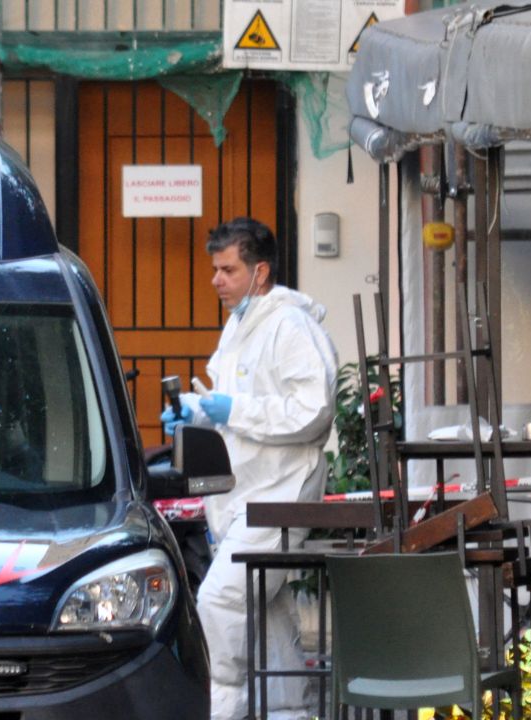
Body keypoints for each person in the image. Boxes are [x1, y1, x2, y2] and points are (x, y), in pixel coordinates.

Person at [161, 217, 337, 720]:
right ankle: (289, 713)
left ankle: (223, 712)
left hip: (280, 493)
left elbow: (313, 411)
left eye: (227, 269)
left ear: (259, 273)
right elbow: (238, 406)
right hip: (248, 494)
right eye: (215, 269)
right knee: (264, 605)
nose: (216, 279)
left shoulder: (290, 325)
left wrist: (228, 411)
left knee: (220, 603)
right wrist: (194, 413)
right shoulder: (240, 325)